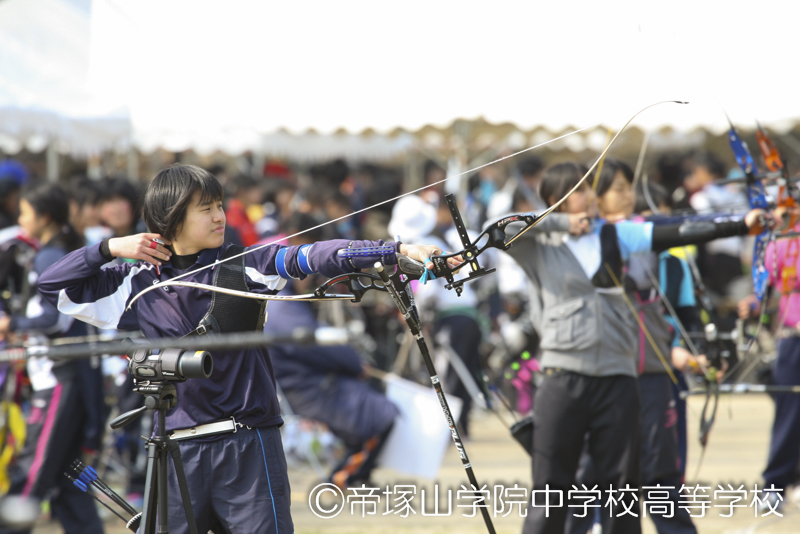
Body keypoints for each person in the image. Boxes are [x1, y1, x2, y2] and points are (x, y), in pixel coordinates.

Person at [35, 164, 458, 534]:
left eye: (220, 205)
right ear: (171, 218)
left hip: (249, 445)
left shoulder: (247, 265)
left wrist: (394, 250)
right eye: (207, 208)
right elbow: (51, 284)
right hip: (177, 449)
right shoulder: (137, 283)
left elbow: (312, 256)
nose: (220, 216)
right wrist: (109, 248)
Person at [499, 161, 768, 534]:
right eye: (576, 191)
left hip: (618, 378)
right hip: (563, 377)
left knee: (622, 490)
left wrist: (743, 223)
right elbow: (497, 229)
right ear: (553, 200)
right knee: (552, 489)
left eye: (589, 188)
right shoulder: (539, 245)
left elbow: (679, 231)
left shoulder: (617, 235)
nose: (588, 197)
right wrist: (562, 222)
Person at [0, 182, 105, 534]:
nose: (20, 219)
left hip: (60, 378)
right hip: (65, 377)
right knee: (68, 476)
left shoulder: (49, 256)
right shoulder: (54, 251)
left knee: (33, 471)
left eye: (25, 213)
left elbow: (56, 318)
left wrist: (12, 323)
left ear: (43, 217)